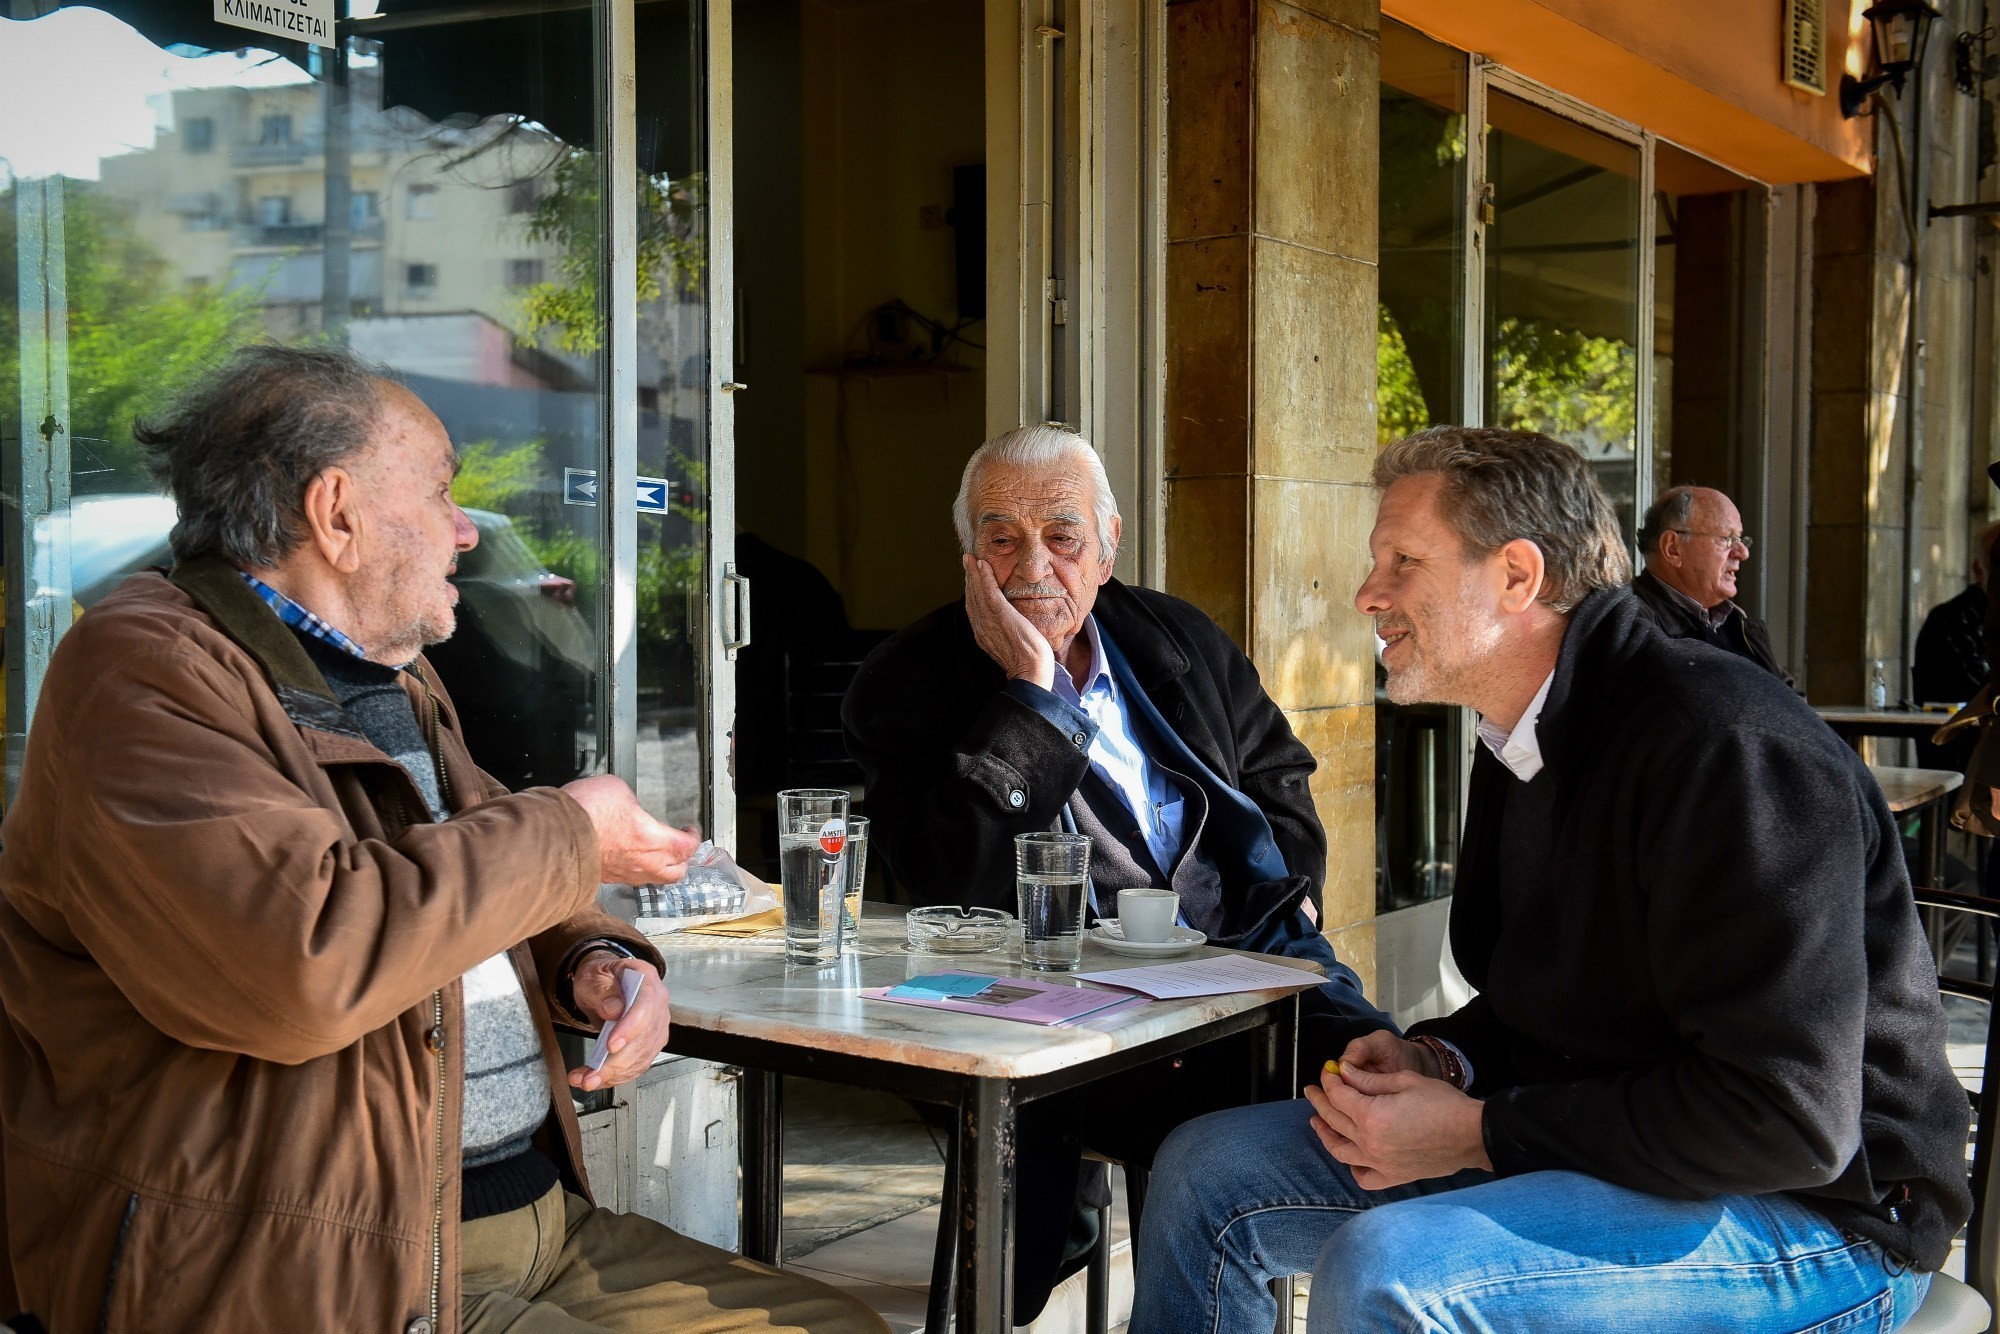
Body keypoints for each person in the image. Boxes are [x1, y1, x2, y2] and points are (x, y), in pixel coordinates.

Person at [0, 345, 884, 1334]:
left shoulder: (387, 674)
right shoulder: (144, 670)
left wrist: (590, 957)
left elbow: (467, 862)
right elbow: (307, 960)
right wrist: (573, 830)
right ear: (336, 513)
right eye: (441, 490)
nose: (466, 528)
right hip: (317, 1267)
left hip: (526, 1218)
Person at [1130, 426, 1971, 1334]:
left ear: (1517, 577)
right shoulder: (1520, 734)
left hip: (1822, 1217)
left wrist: (1475, 1132)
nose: (1369, 593)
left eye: (1403, 562)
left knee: (1389, 1273)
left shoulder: (1727, 748)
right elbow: (1560, 1002)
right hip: (1607, 1149)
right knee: (1206, 1170)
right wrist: (1442, 1061)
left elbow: (1788, 1119)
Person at [843, 424, 1392, 1320]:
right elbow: (943, 881)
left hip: (1252, 971)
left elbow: (1279, 771)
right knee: (1229, 1169)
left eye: (1063, 536)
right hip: (1078, 1027)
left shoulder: (1173, 635)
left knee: (1402, 1098)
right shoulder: (907, 681)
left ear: (1108, 547)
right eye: (1001, 539)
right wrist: (1032, 698)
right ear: (969, 557)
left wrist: (1289, 905)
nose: (1033, 567)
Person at [1630, 483, 1794, 685]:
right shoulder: (1632, 627)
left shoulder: (1738, 624)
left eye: (1740, 539)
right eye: (1727, 538)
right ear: (1673, 548)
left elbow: (1792, 700)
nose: (1743, 553)